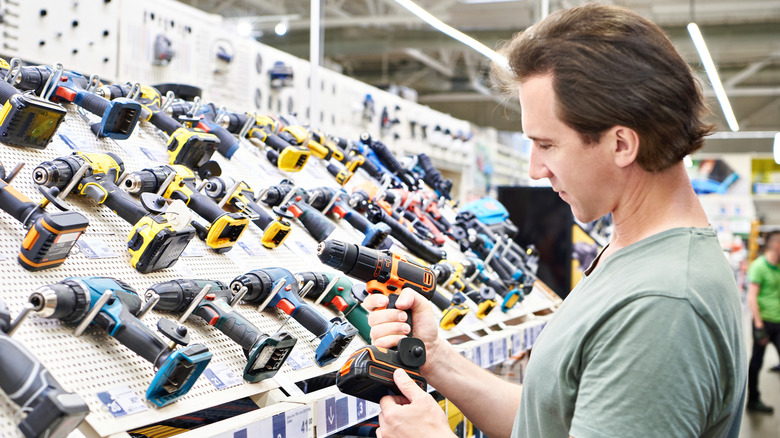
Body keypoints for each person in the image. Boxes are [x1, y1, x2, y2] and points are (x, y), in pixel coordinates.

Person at [364, 4, 746, 437]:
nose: (534, 169)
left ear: (621, 143)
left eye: (546, 144)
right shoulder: (636, 255)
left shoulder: (662, 305)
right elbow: (549, 420)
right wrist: (437, 358)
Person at [746, 231, 780, 413]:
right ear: (776, 245)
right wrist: (759, 325)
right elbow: (752, 297)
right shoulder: (759, 266)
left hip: (779, 322)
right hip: (764, 322)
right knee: (757, 362)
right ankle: (753, 400)